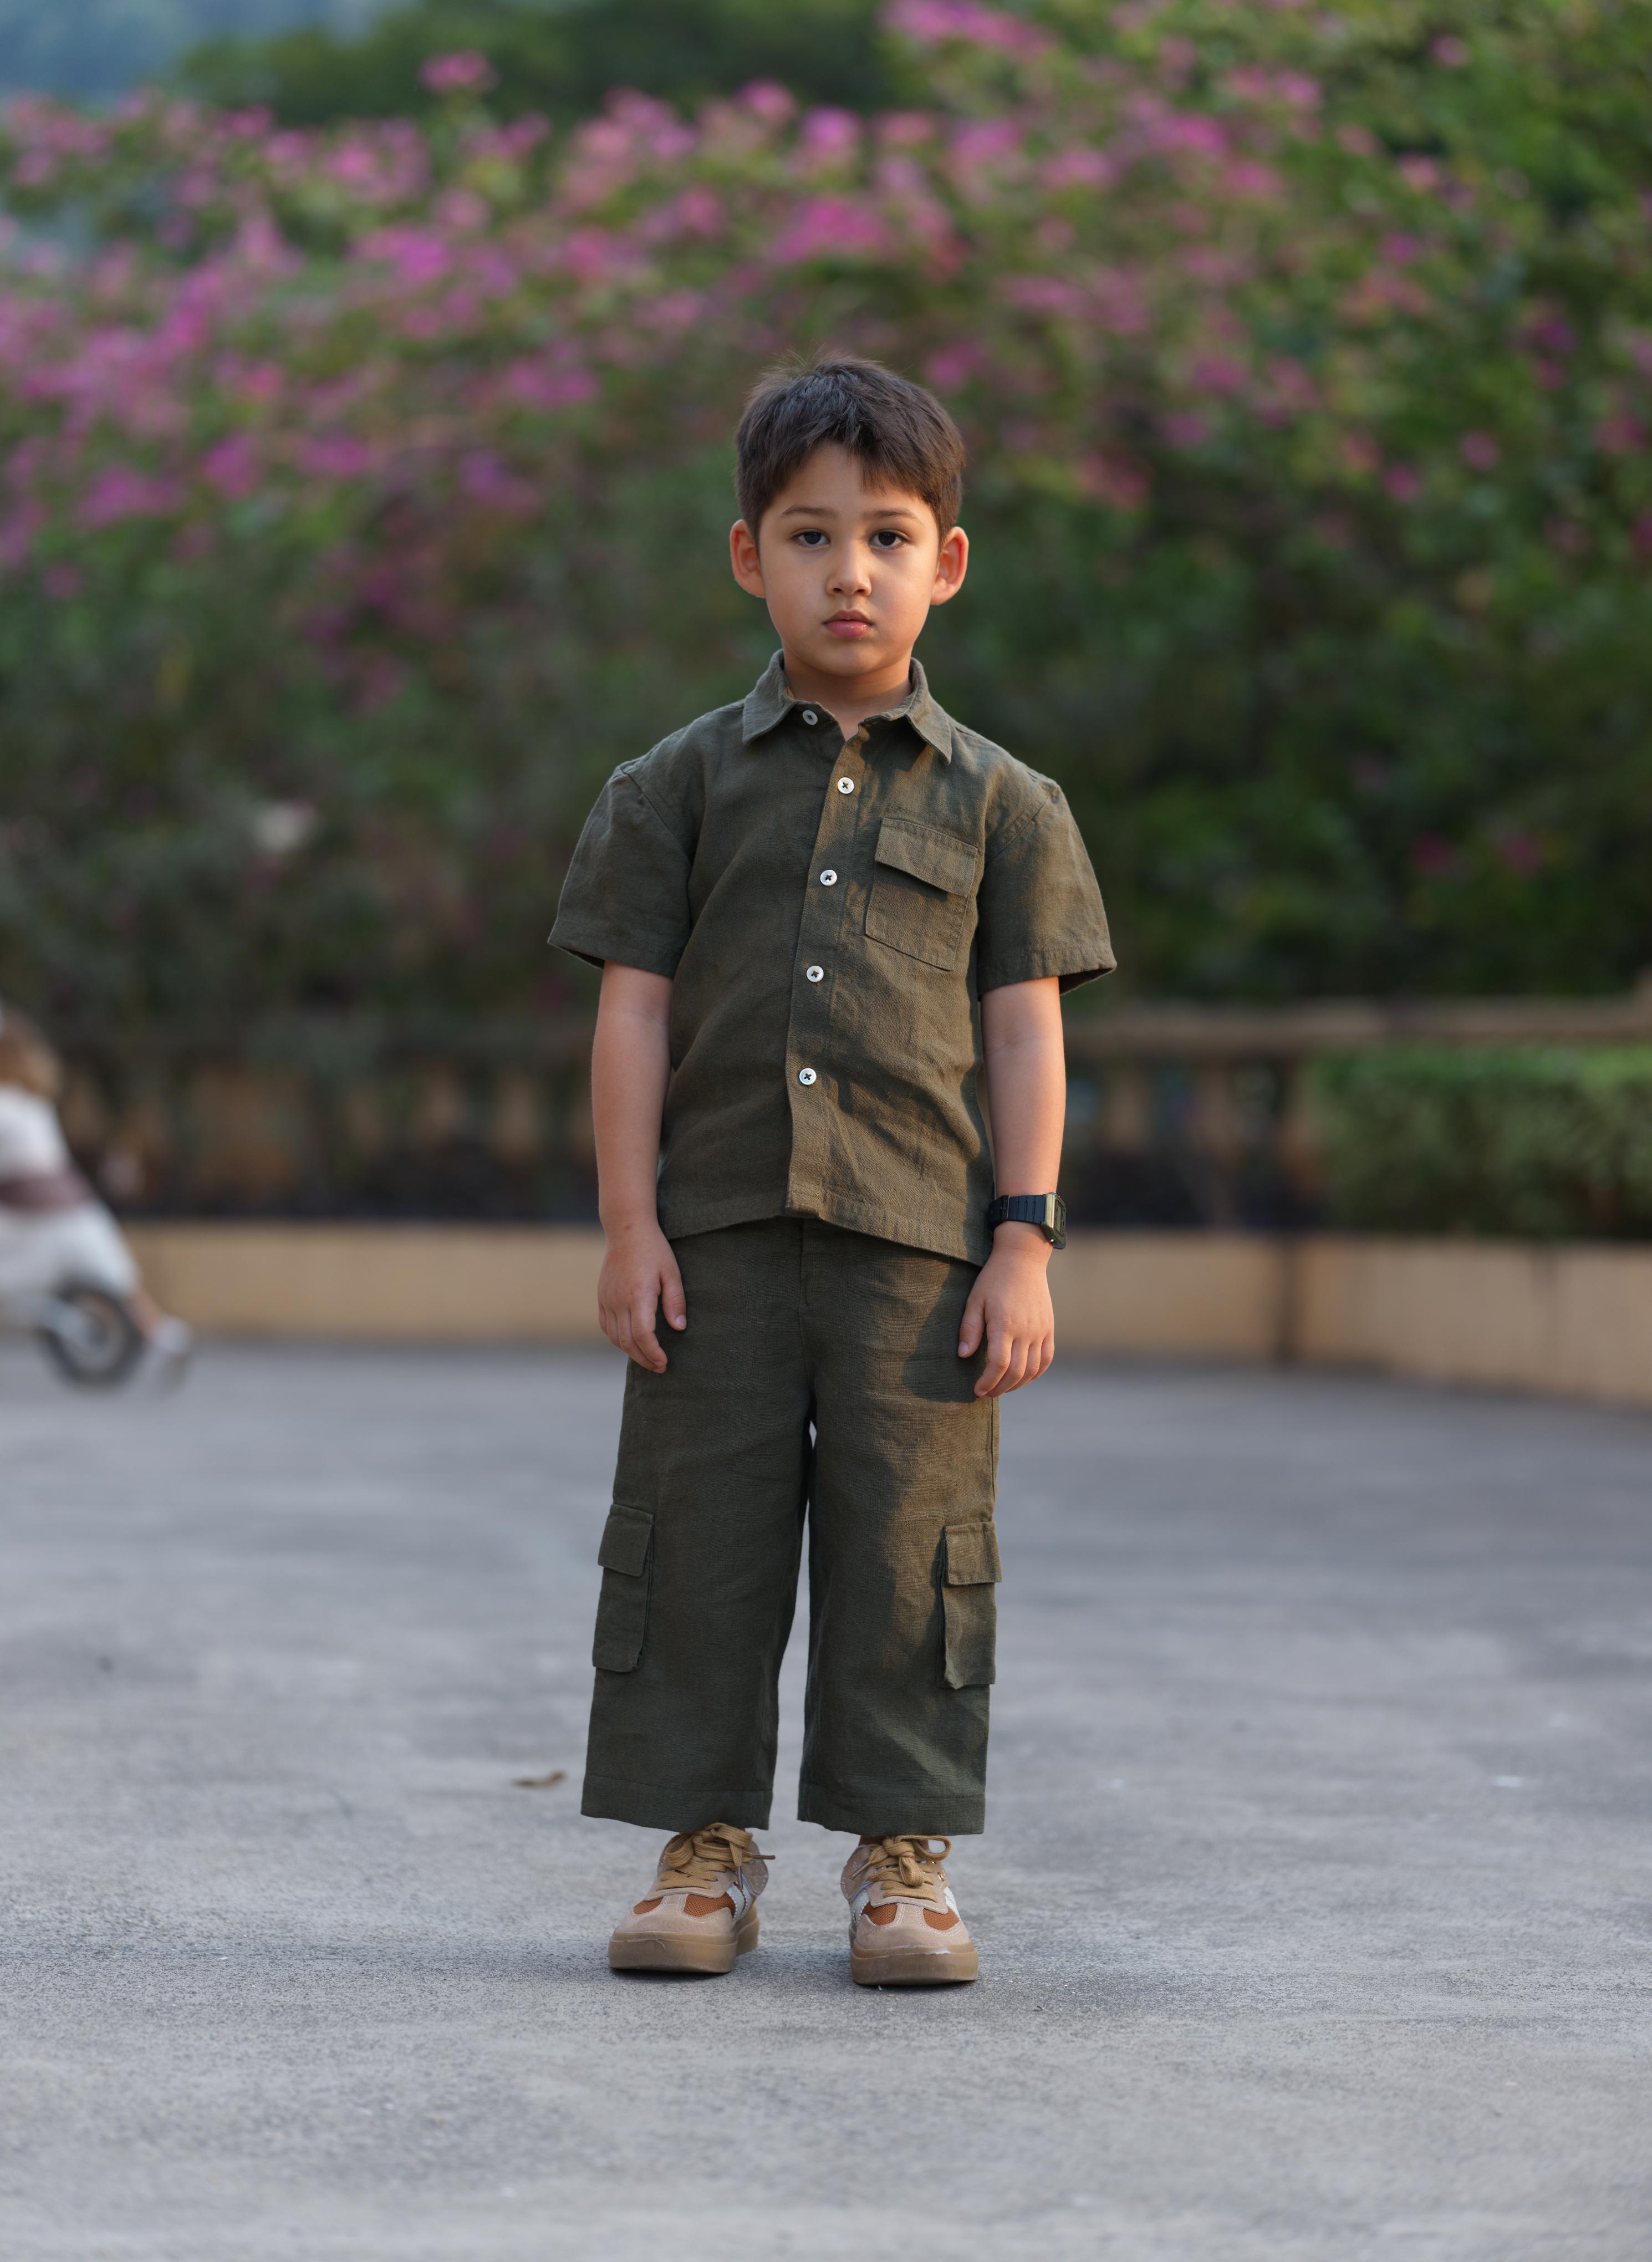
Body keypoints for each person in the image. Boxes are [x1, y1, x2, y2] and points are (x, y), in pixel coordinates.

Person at [548, 354, 1114, 1984]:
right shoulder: (671, 786)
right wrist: (630, 1225)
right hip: (714, 1248)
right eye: (809, 535)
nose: (847, 571)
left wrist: (1024, 1242)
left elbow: (1024, 1033)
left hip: (919, 1256)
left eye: (886, 536)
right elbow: (632, 1015)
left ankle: (902, 1857)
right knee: (695, 1543)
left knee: (910, 1556)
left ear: (947, 560)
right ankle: (702, 1849)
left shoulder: (1009, 803)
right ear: (750, 556)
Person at [0, 991, 192, 1383]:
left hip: (26, 1216)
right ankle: (166, 1337)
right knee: (116, 1278)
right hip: (75, 1207)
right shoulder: (30, 1102)